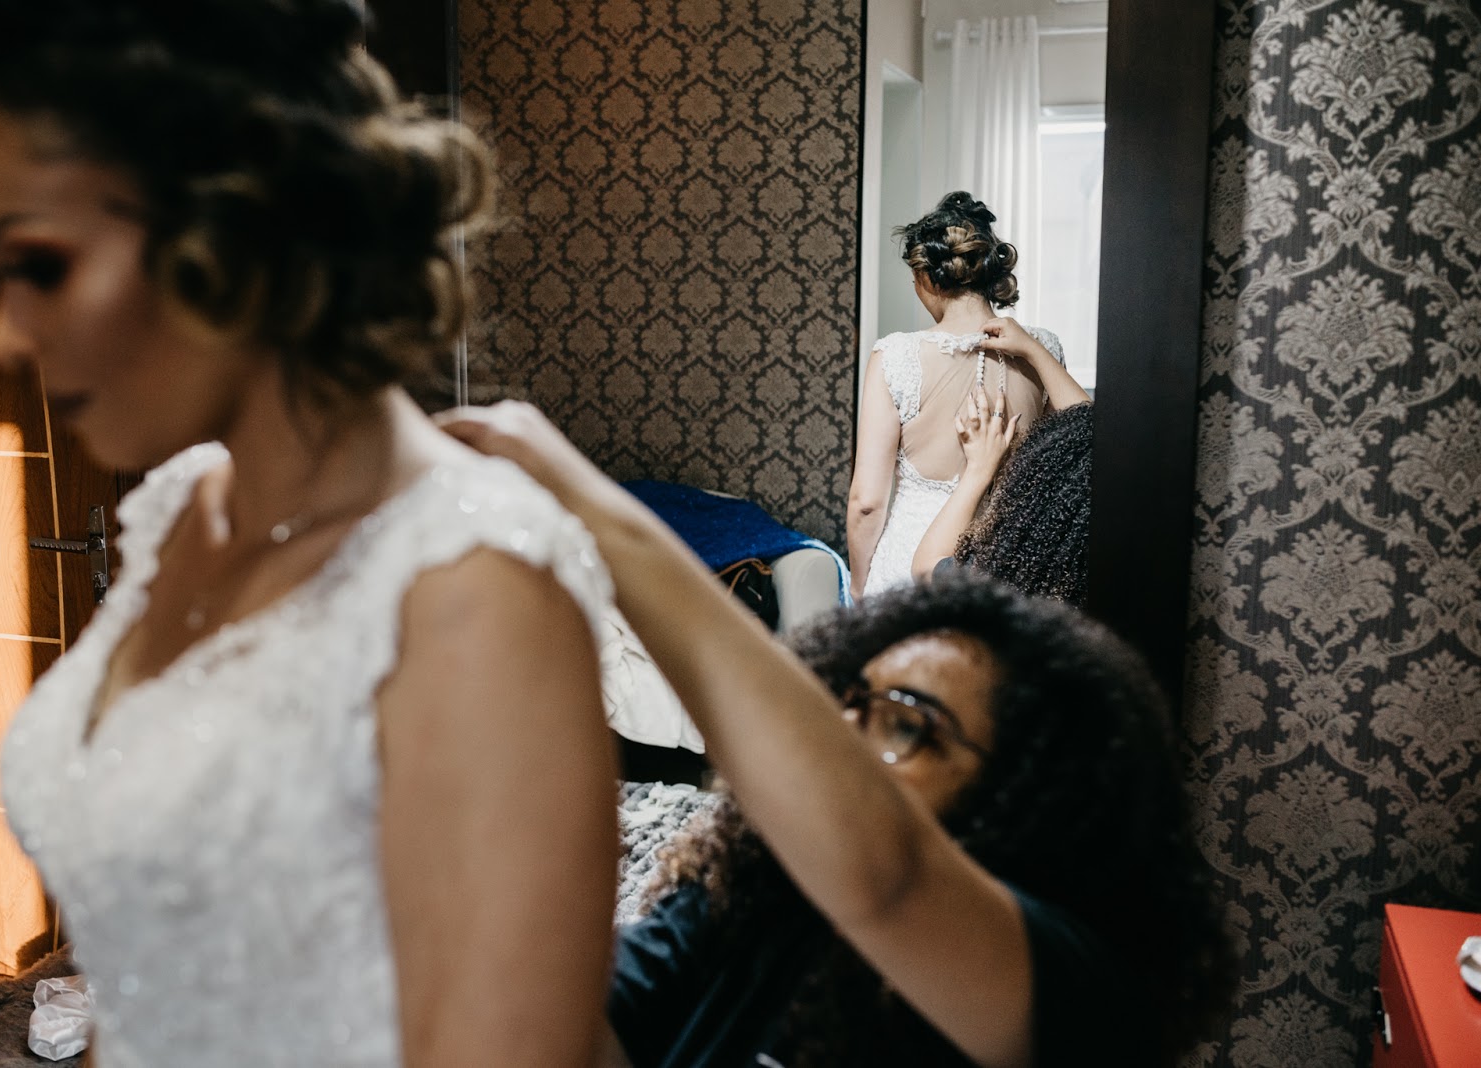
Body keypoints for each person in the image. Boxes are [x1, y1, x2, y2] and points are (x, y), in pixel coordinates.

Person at [0, 1, 617, 1064]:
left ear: (230, 224)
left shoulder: (474, 589)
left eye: (41, 266)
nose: (5, 339)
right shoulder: (178, 511)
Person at [439, 402, 1236, 1068]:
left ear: (1028, 786)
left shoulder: (1077, 986)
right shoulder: (742, 905)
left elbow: (886, 869)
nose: (840, 733)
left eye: (908, 724)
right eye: (848, 701)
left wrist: (587, 502)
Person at [848, 192, 1072, 597]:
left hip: (911, 567)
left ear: (928, 277)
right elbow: (1072, 449)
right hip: (1008, 564)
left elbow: (866, 503)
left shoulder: (894, 357)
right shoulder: (1043, 350)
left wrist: (860, 587)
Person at [907, 330, 1094, 605]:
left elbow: (925, 569)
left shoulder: (1011, 571)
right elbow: (1090, 439)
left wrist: (979, 470)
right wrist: (1035, 351)